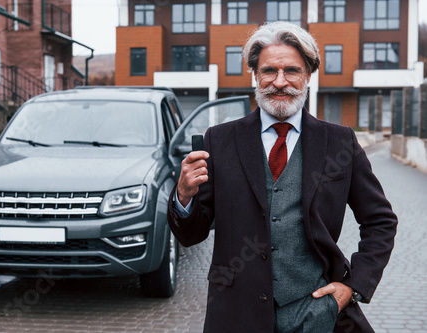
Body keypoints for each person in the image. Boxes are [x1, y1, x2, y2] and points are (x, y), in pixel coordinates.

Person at [167, 21, 397, 333]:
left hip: (316, 314)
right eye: (268, 71)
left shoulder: (340, 142)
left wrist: (351, 287)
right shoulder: (219, 140)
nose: (280, 81)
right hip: (236, 314)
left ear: (308, 76)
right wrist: (183, 196)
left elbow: (380, 220)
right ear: (255, 76)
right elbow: (191, 234)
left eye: (291, 70)